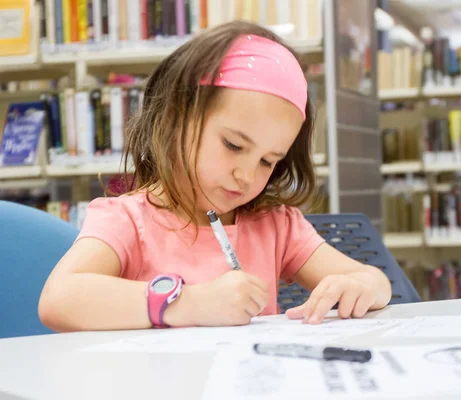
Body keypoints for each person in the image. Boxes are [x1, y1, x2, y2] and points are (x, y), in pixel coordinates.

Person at [38, 21, 391, 332]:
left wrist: (364, 287)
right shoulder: (128, 221)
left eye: (269, 161)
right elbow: (58, 299)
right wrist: (188, 303)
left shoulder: (276, 227)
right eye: (234, 145)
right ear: (177, 117)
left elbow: (372, 280)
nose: (246, 175)